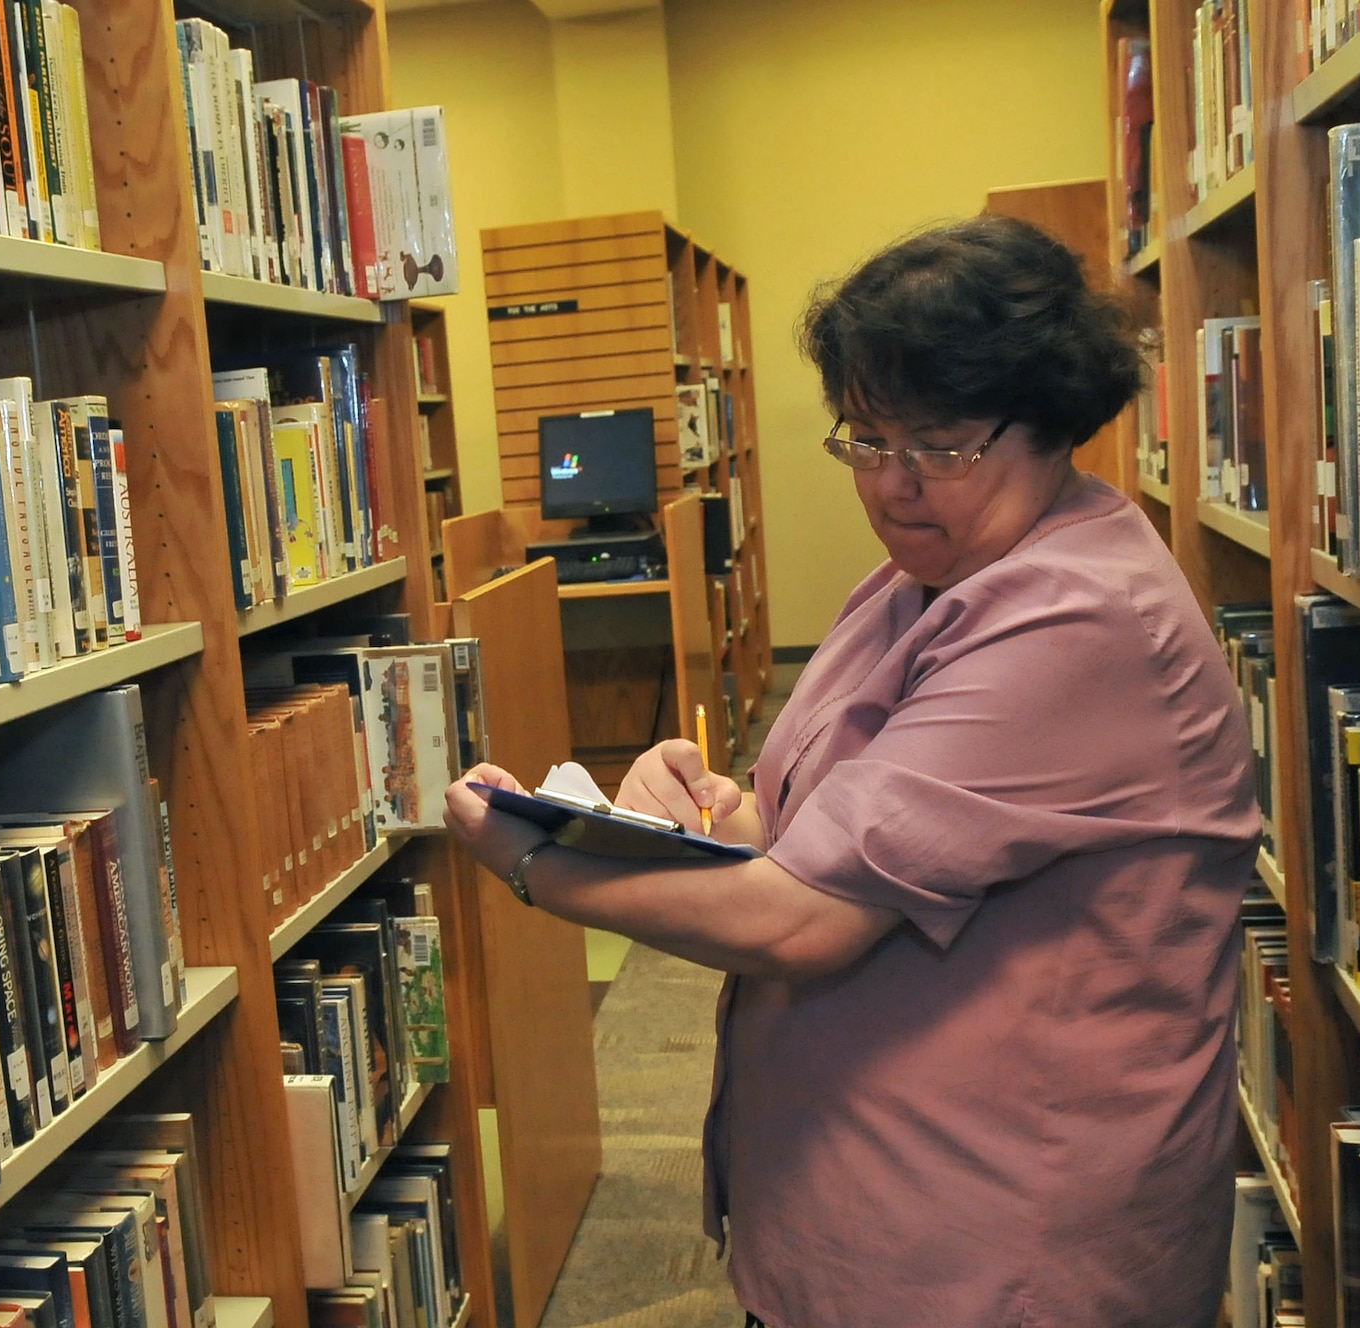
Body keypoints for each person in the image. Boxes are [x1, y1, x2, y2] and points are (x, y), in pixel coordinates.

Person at [443, 215, 1259, 1328]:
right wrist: (712, 817)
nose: (893, 485)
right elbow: (817, 829)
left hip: (997, 1249)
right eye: (866, 440)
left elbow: (800, 923)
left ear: (1052, 422)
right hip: (863, 1212)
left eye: (940, 445)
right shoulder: (913, 583)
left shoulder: (1078, 615)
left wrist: (534, 863)